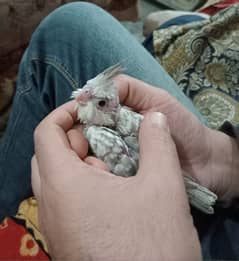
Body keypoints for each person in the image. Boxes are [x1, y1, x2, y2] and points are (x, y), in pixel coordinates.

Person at [1, 2, 239, 260]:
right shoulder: (118, 118)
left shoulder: (100, 135)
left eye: (100, 103)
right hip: (222, 171)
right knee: (68, 27)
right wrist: (222, 156)